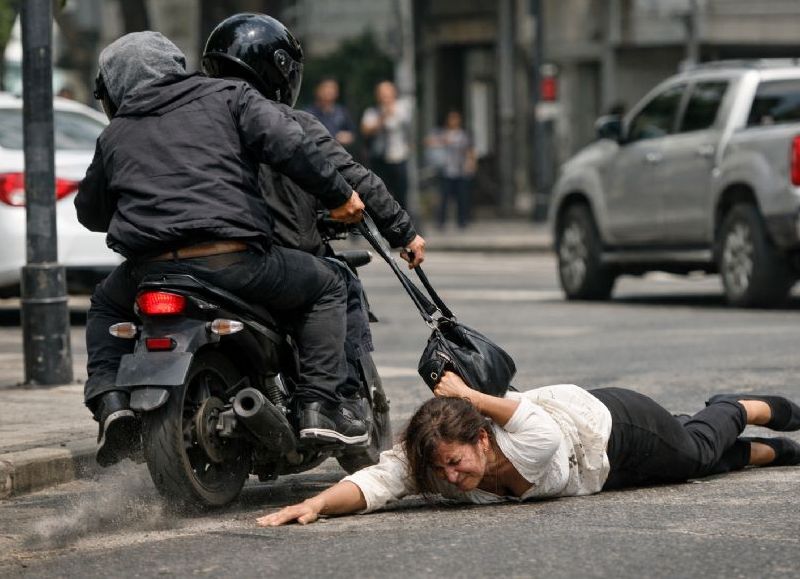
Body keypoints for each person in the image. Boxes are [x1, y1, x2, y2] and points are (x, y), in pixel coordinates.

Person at [76, 29, 367, 467]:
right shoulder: (229, 96)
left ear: (115, 87)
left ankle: (111, 401)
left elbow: (91, 213)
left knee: (103, 305)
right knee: (328, 285)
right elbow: (290, 145)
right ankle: (319, 404)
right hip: (233, 261)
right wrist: (338, 196)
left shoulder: (116, 132)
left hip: (152, 272)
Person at [201, 12, 426, 401]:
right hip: (270, 260)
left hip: (196, 261)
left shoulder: (197, 127)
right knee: (337, 282)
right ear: (280, 71)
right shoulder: (290, 123)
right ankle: (331, 400)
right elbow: (353, 177)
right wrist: (402, 232)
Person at [256, 371, 800, 526]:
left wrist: (467, 394)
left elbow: (532, 419)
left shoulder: (530, 436)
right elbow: (377, 481)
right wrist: (317, 505)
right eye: (441, 467)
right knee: (701, 470)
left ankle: (739, 406)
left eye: (455, 460)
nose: (449, 475)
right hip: (597, 473)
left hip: (618, 425)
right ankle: (772, 452)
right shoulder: (433, 460)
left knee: (695, 456)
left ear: (483, 437)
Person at [361, 81, 412, 211]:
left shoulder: (403, 108)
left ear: (394, 93)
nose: (385, 97)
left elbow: (409, 126)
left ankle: (403, 225)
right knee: (380, 195)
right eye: (381, 94)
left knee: (401, 195)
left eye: (387, 93)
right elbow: (365, 130)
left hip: (399, 157)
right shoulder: (372, 112)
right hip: (379, 158)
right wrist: (383, 116)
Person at [425, 110, 476, 229]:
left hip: (460, 170)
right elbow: (428, 142)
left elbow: (470, 150)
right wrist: (443, 141)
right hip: (446, 170)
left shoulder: (463, 135)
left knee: (462, 198)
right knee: (443, 198)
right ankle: (441, 222)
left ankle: (462, 221)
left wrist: (471, 163)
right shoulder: (442, 133)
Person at [304, 78, 356, 148]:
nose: (329, 91)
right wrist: (334, 137)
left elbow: (352, 133)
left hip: (338, 153)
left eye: (332, 88)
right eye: (326, 88)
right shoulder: (308, 113)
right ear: (317, 90)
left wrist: (347, 137)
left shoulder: (342, 112)